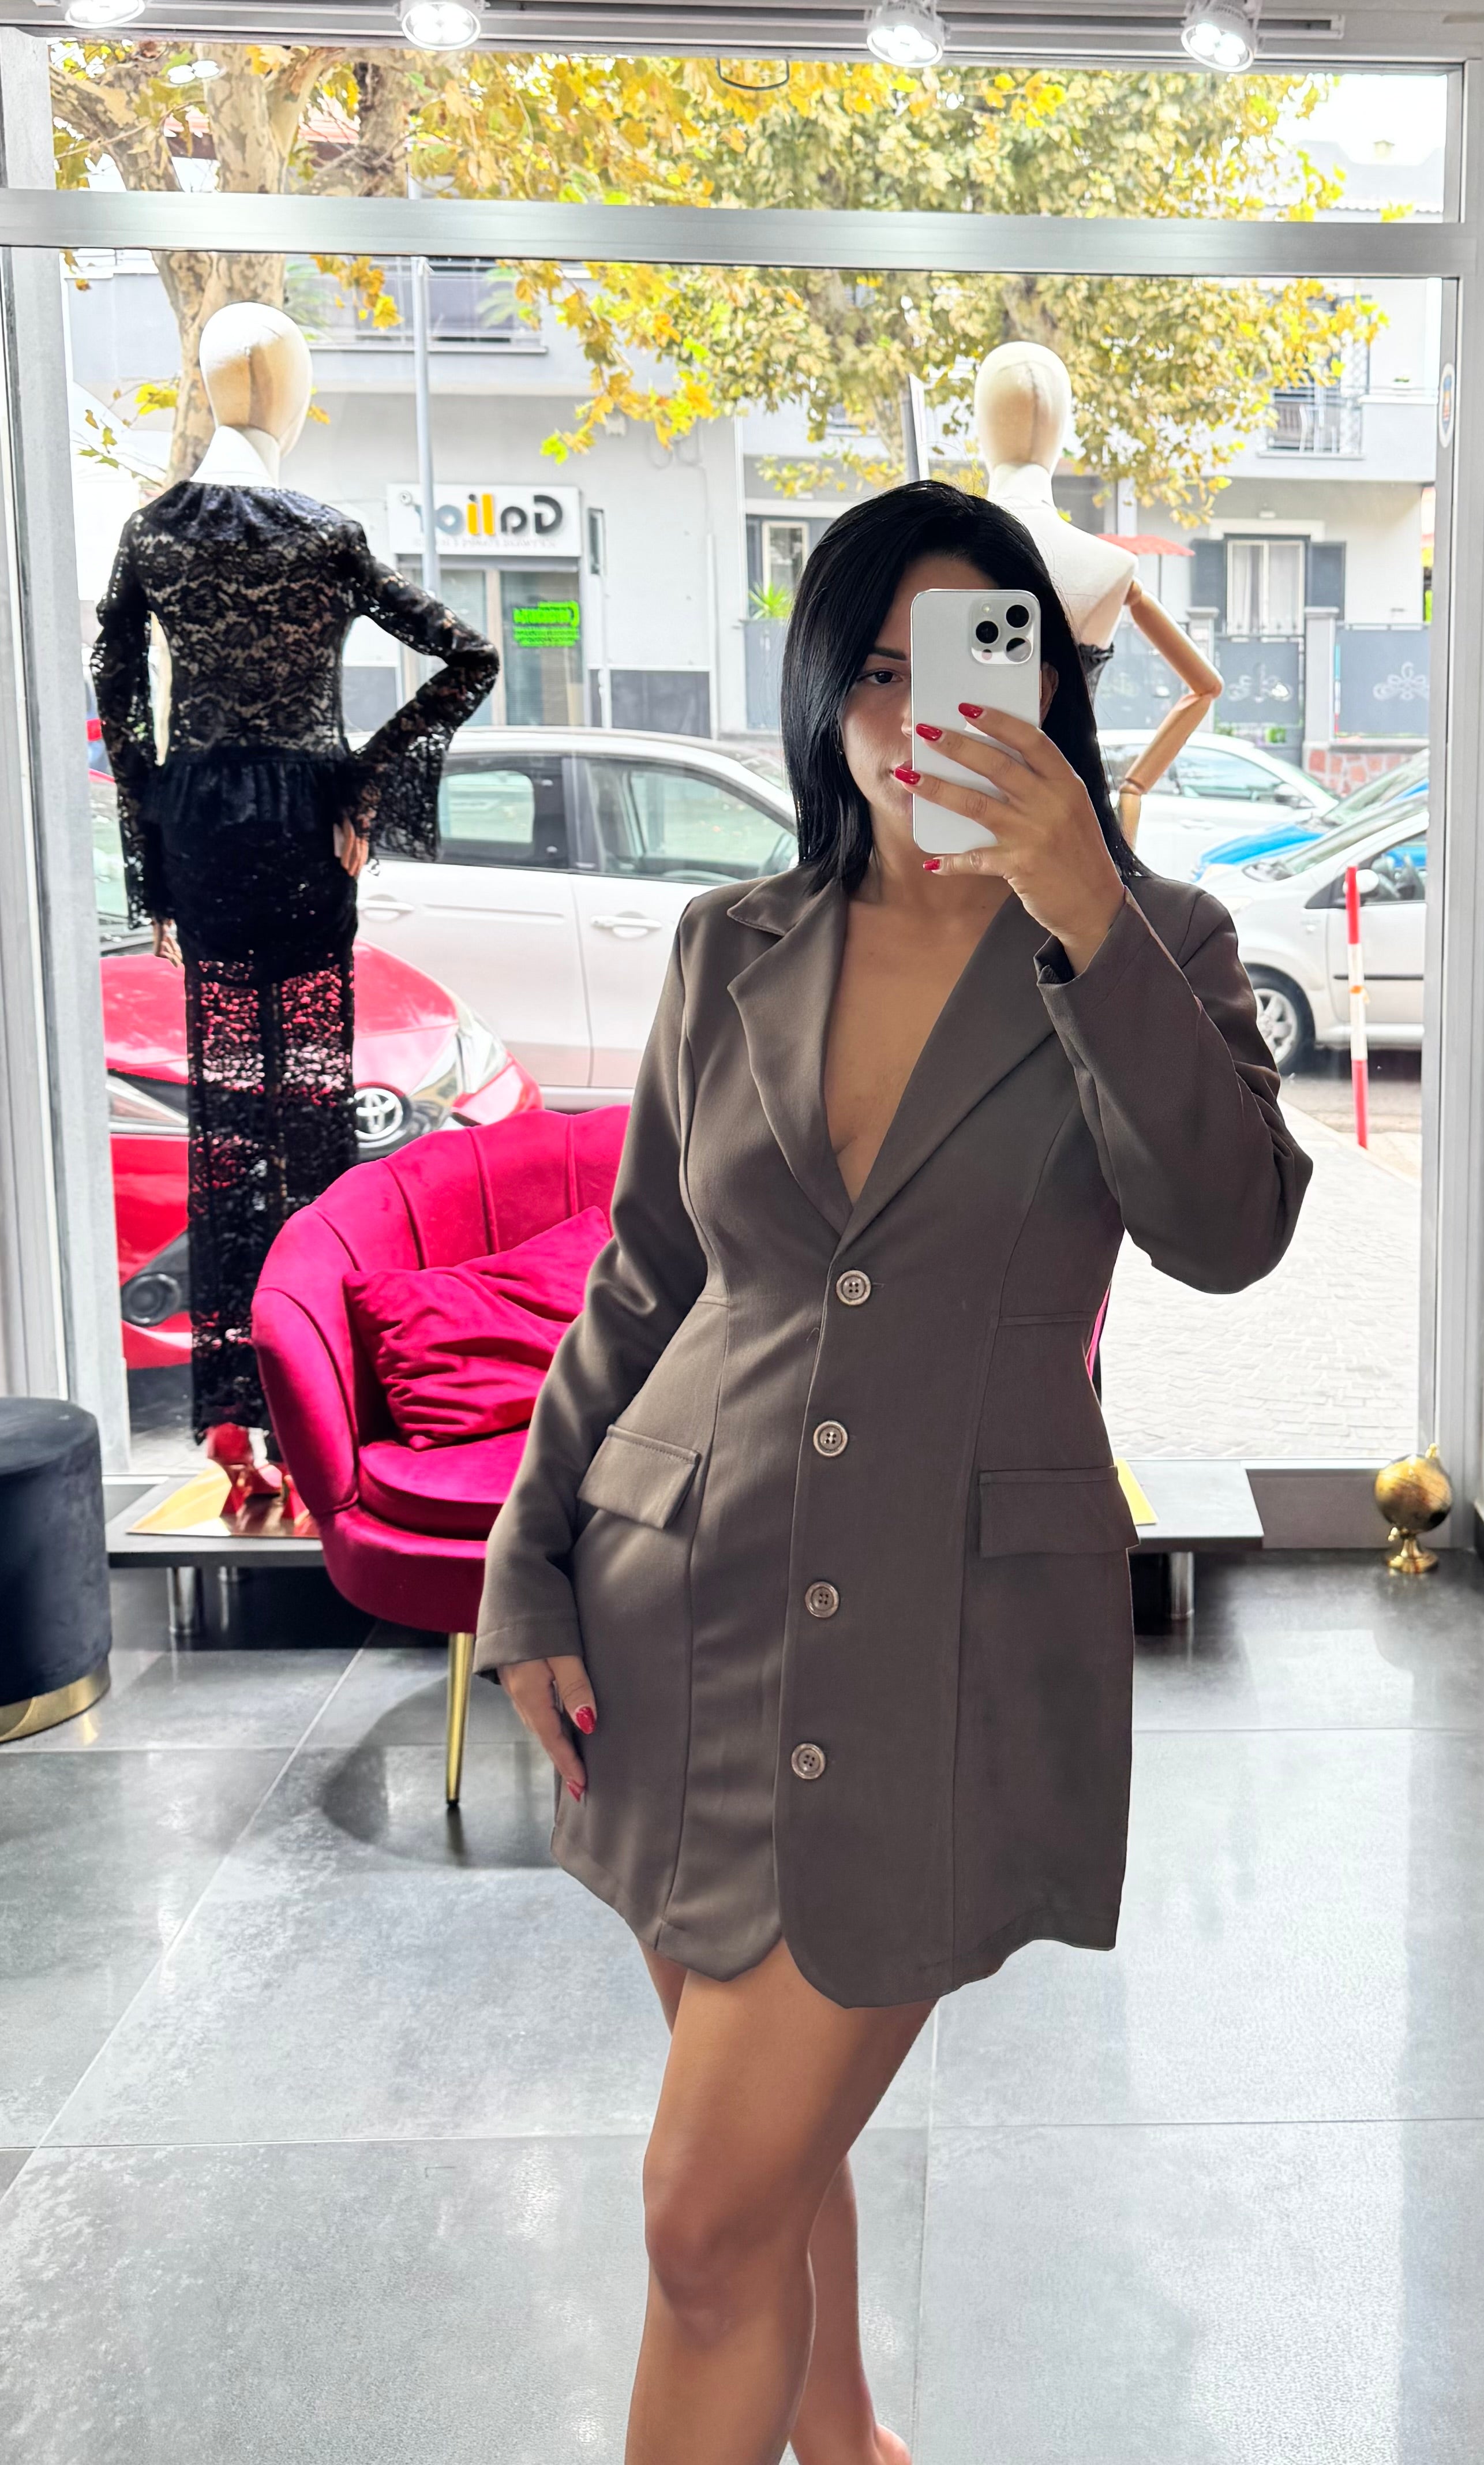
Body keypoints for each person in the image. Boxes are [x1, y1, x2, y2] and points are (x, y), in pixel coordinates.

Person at [474, 480, 1311, 2465]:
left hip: (942, 1632)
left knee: (700, 2215)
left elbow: (1229, 1229)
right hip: (676, 1611)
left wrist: (1087, 911)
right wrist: (527, 1564)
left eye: (950, 662)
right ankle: (843, 2444)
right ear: (813, 696)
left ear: (1039, 691)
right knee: (762, 2165)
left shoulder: (1155, 942)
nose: (902, 711)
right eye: (864, 666)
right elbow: (646, 1280)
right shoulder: (730, 945)